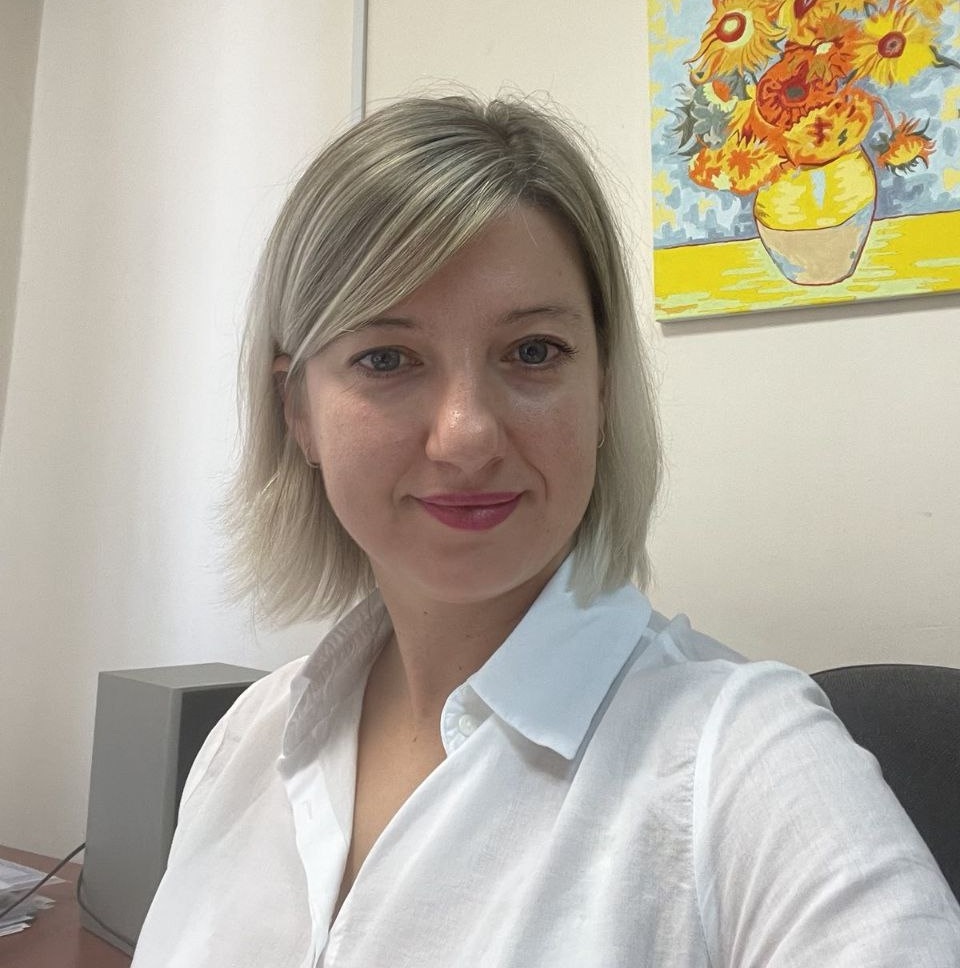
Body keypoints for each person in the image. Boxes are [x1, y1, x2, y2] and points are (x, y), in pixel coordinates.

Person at [131, 95, 960, 967]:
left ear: (601, 388)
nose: (466, 436)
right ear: (296, 409)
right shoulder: (248, 739)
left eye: (532, 352)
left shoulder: (746, 757)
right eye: (387, 358)